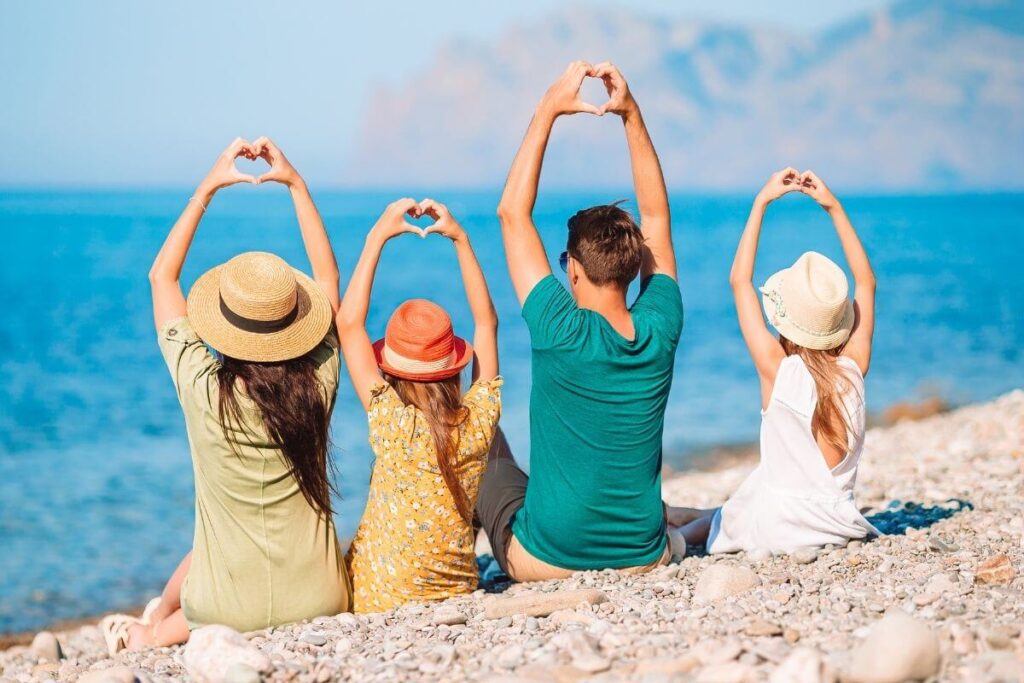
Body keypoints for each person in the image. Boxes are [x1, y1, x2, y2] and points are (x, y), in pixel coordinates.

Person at [99, 138, 351, 654]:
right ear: (293, 324)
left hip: (224, 606)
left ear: (224, 325)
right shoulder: (319, 381)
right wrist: (297, 186)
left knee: (207, 573)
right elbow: (328, 280)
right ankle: (150, 626)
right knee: (214, 565)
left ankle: (143, 633)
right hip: (322, 596)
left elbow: (160, 277)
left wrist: (208, 187)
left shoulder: (201, 386)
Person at [475, 61, 684, 582]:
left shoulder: (559, 329)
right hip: (643, 555)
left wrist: (548, 108)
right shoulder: (660, 325)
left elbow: (511, 214)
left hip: (546, 561)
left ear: (570, 268)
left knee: (482, 448)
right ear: (636, 266)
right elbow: (656, 219)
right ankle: (682, 530)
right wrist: (631, 115)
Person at [666, 168, 879, 553]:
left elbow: (739, 281)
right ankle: (693, 516)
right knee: (756, 490)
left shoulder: (778, 371)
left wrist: (760, 203)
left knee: (746, 505)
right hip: (837, 522)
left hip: (778, 529)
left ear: (786, 322)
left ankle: (680, 532)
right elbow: (867, 282)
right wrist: (833, 207)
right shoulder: (853, 369)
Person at [337, 198, 502, 612]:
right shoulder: (479, 421)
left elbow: (348, 324)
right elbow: (487, 323)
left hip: (377, 597)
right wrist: (461, 240)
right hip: (460, 590)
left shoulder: (393, 423)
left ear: (390, 368)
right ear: (453, 367)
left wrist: (378, 236)